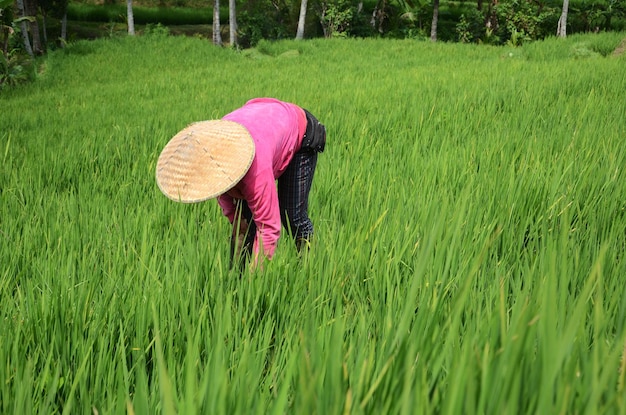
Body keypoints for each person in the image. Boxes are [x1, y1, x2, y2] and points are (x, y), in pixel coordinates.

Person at [155, 97, 326, 268]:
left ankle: (310, 268)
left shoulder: (256, 170)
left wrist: (256, 282)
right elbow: (229, 205)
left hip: (298, 130)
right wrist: (237, 222)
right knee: (247, 223)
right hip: (263, 122)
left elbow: (269, 227)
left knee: (292, 216)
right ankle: (237, 275)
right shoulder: (211, 153)